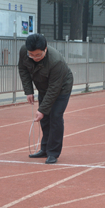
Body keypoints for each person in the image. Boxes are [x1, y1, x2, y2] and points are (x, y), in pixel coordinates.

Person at [18, 33, 74, 164]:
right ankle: (44, 149)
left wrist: (42, 109)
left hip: (61, 87)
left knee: (55, 116)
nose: (35, 58)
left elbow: (54, 89)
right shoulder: (23, 52)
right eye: (31, 55)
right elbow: (23, 69)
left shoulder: (56, 62)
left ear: (46, 49)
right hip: (43, 86)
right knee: (45, 120)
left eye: (39, 55)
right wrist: (29, 91)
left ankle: (53, 152)